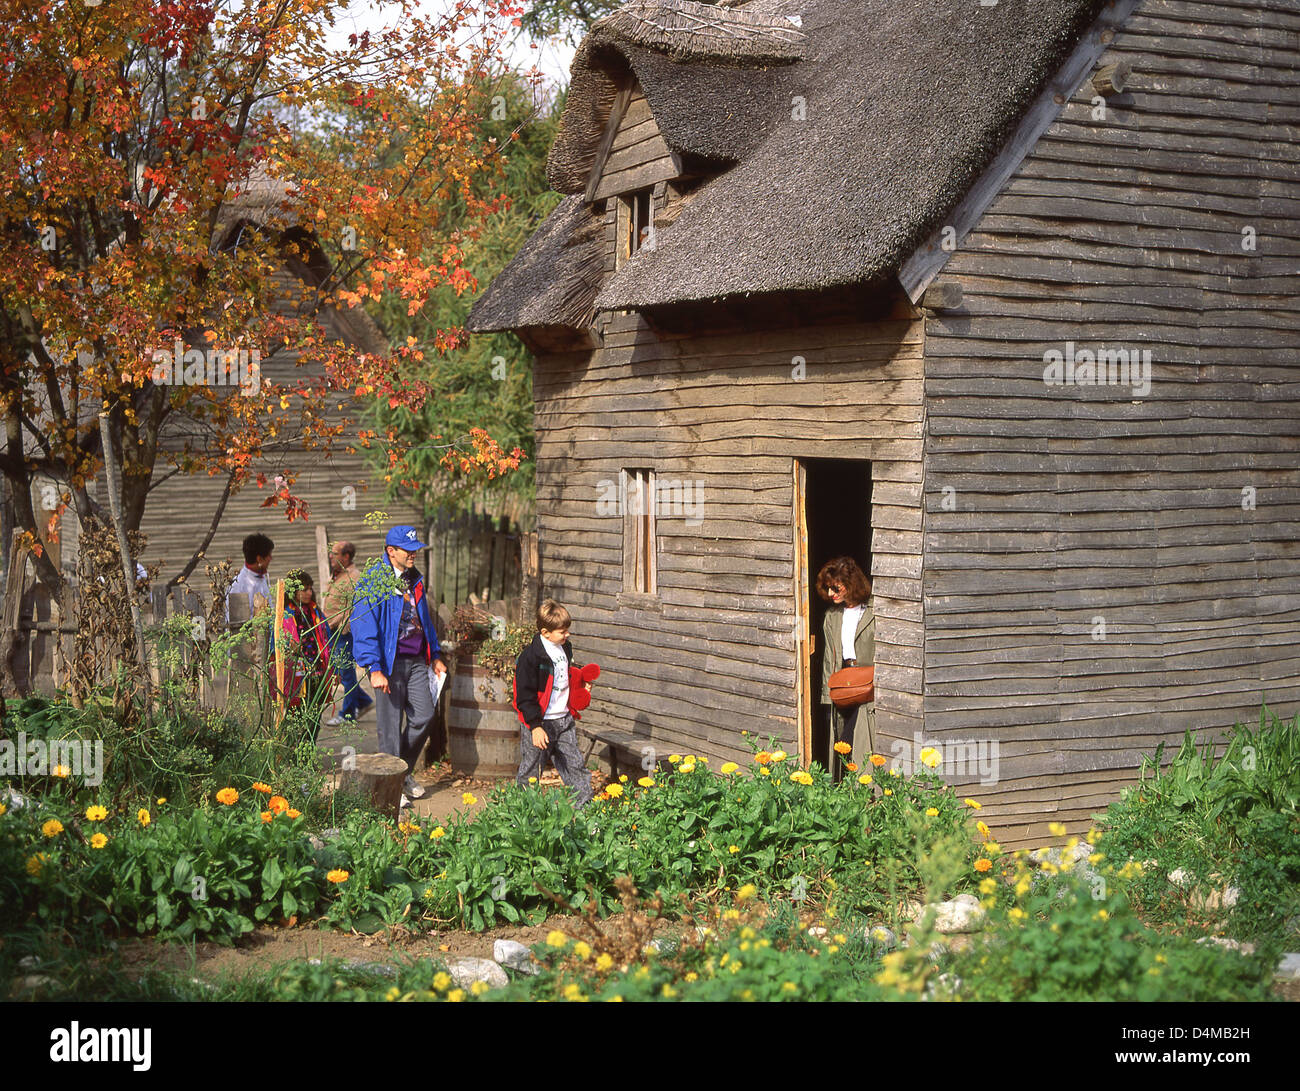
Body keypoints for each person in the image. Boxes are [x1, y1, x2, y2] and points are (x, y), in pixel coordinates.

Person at [349, 525, 447, 808]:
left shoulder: (414, 578)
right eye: (409, 550)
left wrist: (436, 653)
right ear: (391, 551)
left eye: (416, 549)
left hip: (416, 660)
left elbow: (424, 620)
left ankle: (400, 773)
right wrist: (374, 669)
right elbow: (364, 626)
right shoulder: (373, 581)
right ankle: (389, 789)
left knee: (424, 716)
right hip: (388, 664)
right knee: (389, 729)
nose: (414, 554)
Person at [511, 599, 594, 808]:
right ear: (546, 632)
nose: (567, 635)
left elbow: (566, 679)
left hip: (564, 720)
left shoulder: (565, 649)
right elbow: (525, 696)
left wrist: (580, 690)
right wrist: (536, 726)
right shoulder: (530, 658)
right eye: (562, 631)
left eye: (567, 630)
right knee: (531, 769)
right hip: (539, 724)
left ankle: (586, 811)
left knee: (575, 765)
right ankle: (522, 812)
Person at [816, 556, 876, 775]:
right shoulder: (832, 617)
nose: (831, 594)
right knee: (842, 742)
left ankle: (864, 788)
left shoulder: (872, 611)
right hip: (844, 681)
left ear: (850, 583)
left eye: (835, 587)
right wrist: (827, 695)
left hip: (867, 683)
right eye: (828, 588)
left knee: (856, 740)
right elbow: (827, 660)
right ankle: (847, 790)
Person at [268, 569, 335, 739]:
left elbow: (328, 642)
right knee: (294, 718)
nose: (309, 593)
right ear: (293, 591)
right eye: (304, 589)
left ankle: (308, 756)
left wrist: (334, 668)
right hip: (295, 677)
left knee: (314, 718)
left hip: (316, 673)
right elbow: (274, 647)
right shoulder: (283, 616)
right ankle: (295, 756)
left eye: (310, 588)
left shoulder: (316, 613)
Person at [321, 540, 372, 727]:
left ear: (346, 556)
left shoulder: (354, 577)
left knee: (347, 673)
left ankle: (347, 714)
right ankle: (365, 701)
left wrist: (331, 623)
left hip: (344, 631)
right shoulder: (337, 576)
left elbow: (351, 608)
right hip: (332, 631)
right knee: (341, 672)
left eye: (335, 554)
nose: (331, 557)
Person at [227, 532, 274, 620]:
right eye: (269, 555)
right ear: (259, 559)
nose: (271, 558)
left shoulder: (261, 577)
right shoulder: (238, 585)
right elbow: (231, 622)